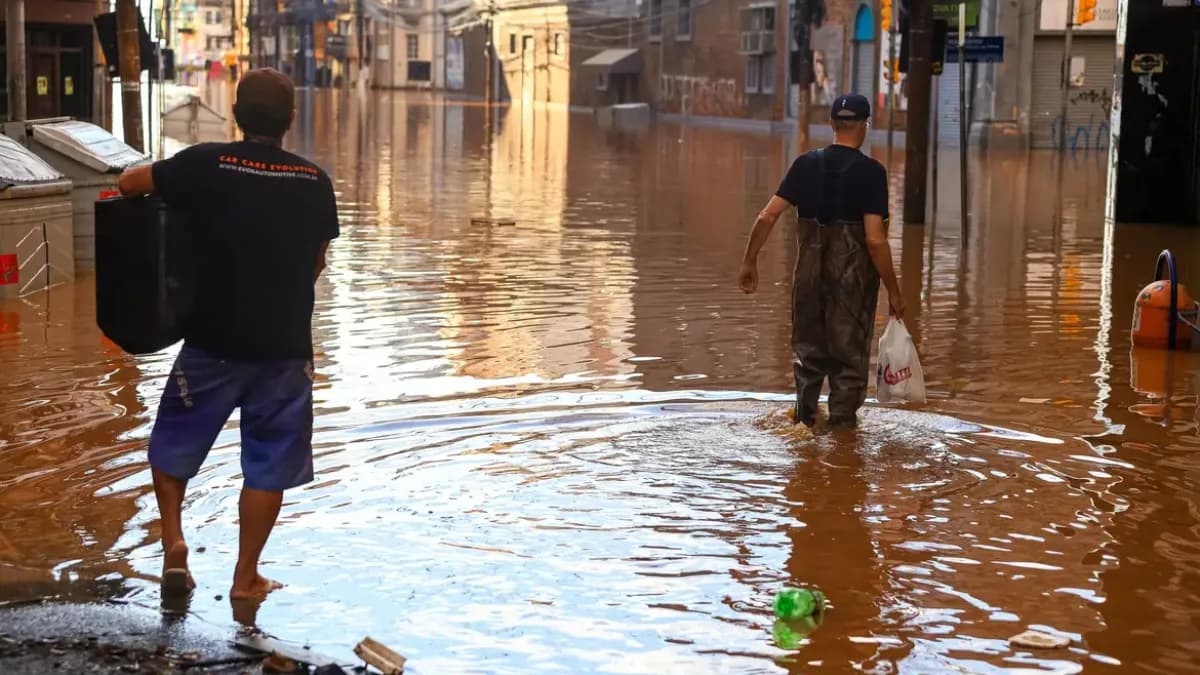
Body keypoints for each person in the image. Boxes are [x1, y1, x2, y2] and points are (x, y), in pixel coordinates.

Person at [117, 68, 339, 602]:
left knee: (173, 442)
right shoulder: (314, 182)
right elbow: (316, 263)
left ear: (236, 115)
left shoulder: (205, 163)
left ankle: (174, 543)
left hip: (212, 341)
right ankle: (246, 578)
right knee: (268, 464)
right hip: (284, 348)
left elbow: (129, 185)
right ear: (291, 119)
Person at [738, 94, 903, 429]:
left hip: (808, 283)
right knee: (848, 365)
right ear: (865, 126)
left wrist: (749, 262)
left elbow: (767, 216)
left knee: (809, 359)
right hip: (851, 288)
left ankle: (805, 425)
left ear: (831, 125)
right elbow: (874, 240)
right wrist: (895, 291)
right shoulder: (871, 173)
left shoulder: (805, 164)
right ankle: (842, 448)